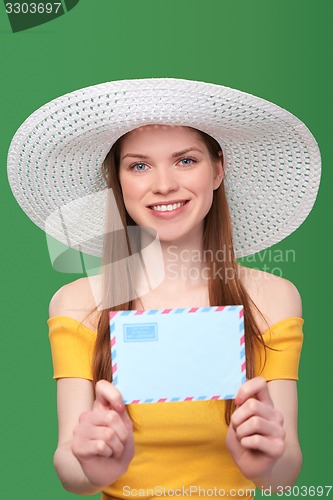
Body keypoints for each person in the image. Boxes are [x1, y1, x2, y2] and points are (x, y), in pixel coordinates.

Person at [7, 78, 321, 499]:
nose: (164, 185)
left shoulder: (273, 297)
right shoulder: (78, 302)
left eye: (186, 161)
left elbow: (285, 474)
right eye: (139, 165)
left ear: (218, 169)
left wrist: (265, 463)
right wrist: (93, 466)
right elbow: (69, 468)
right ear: (117, 180)